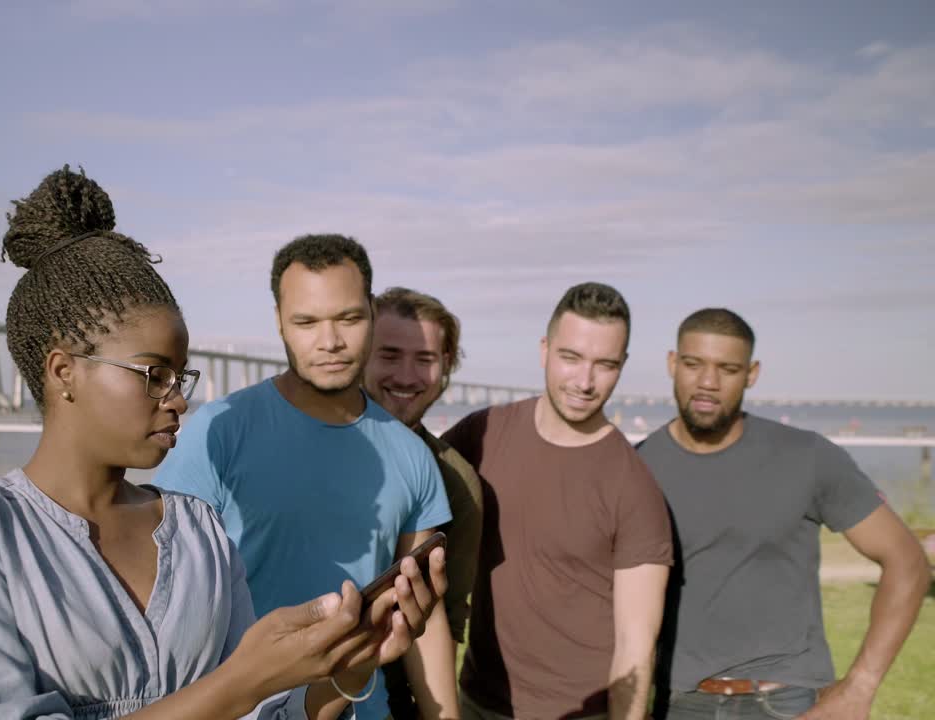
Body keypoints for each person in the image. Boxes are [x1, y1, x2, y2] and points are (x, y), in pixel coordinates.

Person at [0, 166, 448, 720]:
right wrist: (242, 680)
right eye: (153, 373)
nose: (178, 399)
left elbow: (261, 715)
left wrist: (345, 666)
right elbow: (237, 693)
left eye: (180, 377)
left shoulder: (199, 530)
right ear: (63, 371)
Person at [156, 235, 460, 720]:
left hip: (362, 707)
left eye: (349, 319)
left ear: (373, 316)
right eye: (306, 322)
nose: (330, 341)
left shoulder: (412, 456)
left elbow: (424, 611)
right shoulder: (219, 429)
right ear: (278, 321)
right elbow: (160, 586)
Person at [637, 308, 932, 720]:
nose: (708, 382)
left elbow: (908, 562)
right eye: (693, 364)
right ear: (672, 363)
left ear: (751, 374)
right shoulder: (636, 469)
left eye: (728, 369)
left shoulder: (807, 457)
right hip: (678, 704)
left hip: (784, 703)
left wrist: (861, 685)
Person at [443, 282, 673, 720]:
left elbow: (635, 648)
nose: (585, 382)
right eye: (571, 358)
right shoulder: (483, 433)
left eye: (604, 365)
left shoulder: (634, 487)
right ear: (545, 349)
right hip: (477, 703)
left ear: (621, 366)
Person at [362, 286, 483, 720]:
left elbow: (444, 621)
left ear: (447, 366)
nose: (408, 376)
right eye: (390, 356)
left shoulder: (458, 484)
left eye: (426, 359)